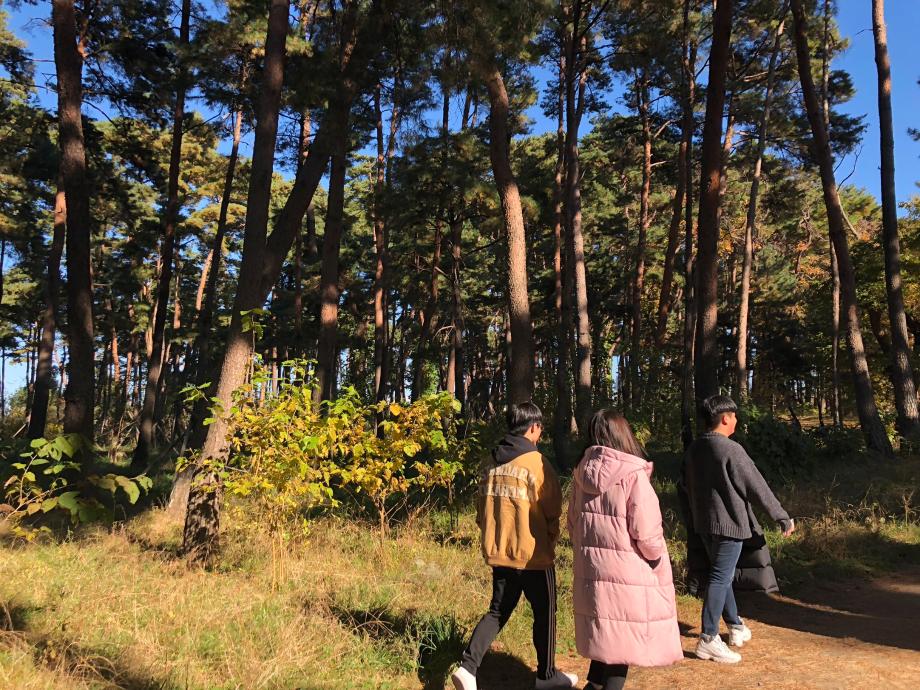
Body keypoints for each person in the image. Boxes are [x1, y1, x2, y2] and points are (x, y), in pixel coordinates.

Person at [452, 402, 578, 690]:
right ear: (533, 428)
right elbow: (553, 509)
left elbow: (480, 511)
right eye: (540, 428)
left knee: (497, 612)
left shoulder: (490, 462)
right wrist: (550, 538)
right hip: (534, 556)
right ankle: (546, 676)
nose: (540, 434)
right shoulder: (537, 463)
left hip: (500, 553)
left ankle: (467, 668)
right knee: (545, 614)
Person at [568, 410, 683, 690]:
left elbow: (573, 524)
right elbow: (646, 532)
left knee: (607, 636)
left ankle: (593, 685)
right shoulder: (633, 475)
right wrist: (655, 558)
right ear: (623, 435)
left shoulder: (580, 474)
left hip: (593, 570)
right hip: (628, 573)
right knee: (622, 645)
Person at [683, 395, 795, 664]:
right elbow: (757, 486)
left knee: (721, 575)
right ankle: (709, 638)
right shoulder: (731, 449)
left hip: (704, 525)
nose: (736, 420)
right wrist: (781, 516)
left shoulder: (695, 449)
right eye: (734, 416)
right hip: (729, 525)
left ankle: (735, 625)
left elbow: (684, 486)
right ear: (725, 418)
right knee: (720, 577)